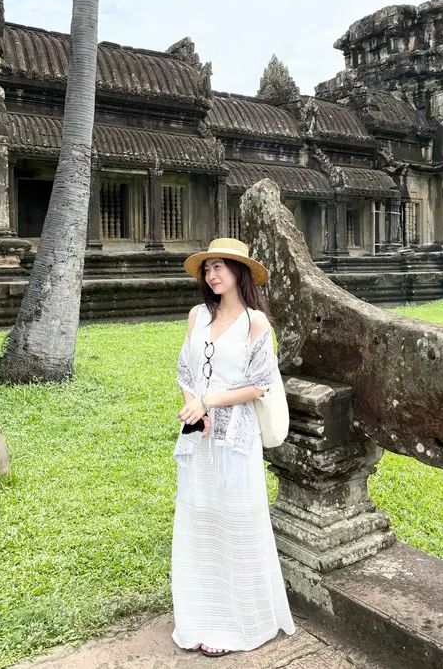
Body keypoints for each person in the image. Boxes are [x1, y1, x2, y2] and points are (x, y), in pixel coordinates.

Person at [172, 238, 295, 658]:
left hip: (236, 435)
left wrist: (208, 402)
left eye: (220, 267)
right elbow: (185, 371)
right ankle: (200, 618)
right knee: (200, 518)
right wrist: (195, 407)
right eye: (207, 269)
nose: (212, 275)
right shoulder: (197, 315)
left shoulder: (255, 323)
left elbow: (259, 384)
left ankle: (238, 623)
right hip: (198, 434)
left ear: (240, 272)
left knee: (237, 520)